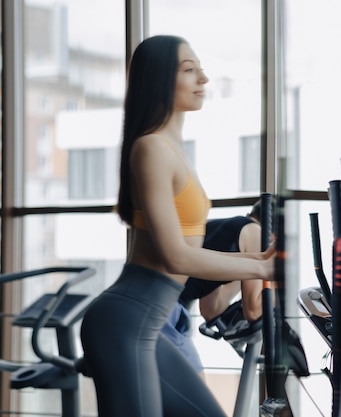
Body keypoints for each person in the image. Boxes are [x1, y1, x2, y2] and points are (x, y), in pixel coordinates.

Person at [79, 35, 274, 417]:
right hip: (125, 321)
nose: (203, 77)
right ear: (158, 80)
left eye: (200, 67)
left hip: (149, 325)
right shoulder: (150, 147)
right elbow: (176, 255)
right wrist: (259, 264)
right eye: (189, 69)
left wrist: (257, 263)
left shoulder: (172, 149)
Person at [161, 202, 263, 375]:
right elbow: (253, 311)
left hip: (168, 307)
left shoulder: (228, 231)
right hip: (166, 311)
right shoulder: (255, 232)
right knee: (193, 393)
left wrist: (244, 273)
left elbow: (210, 309)